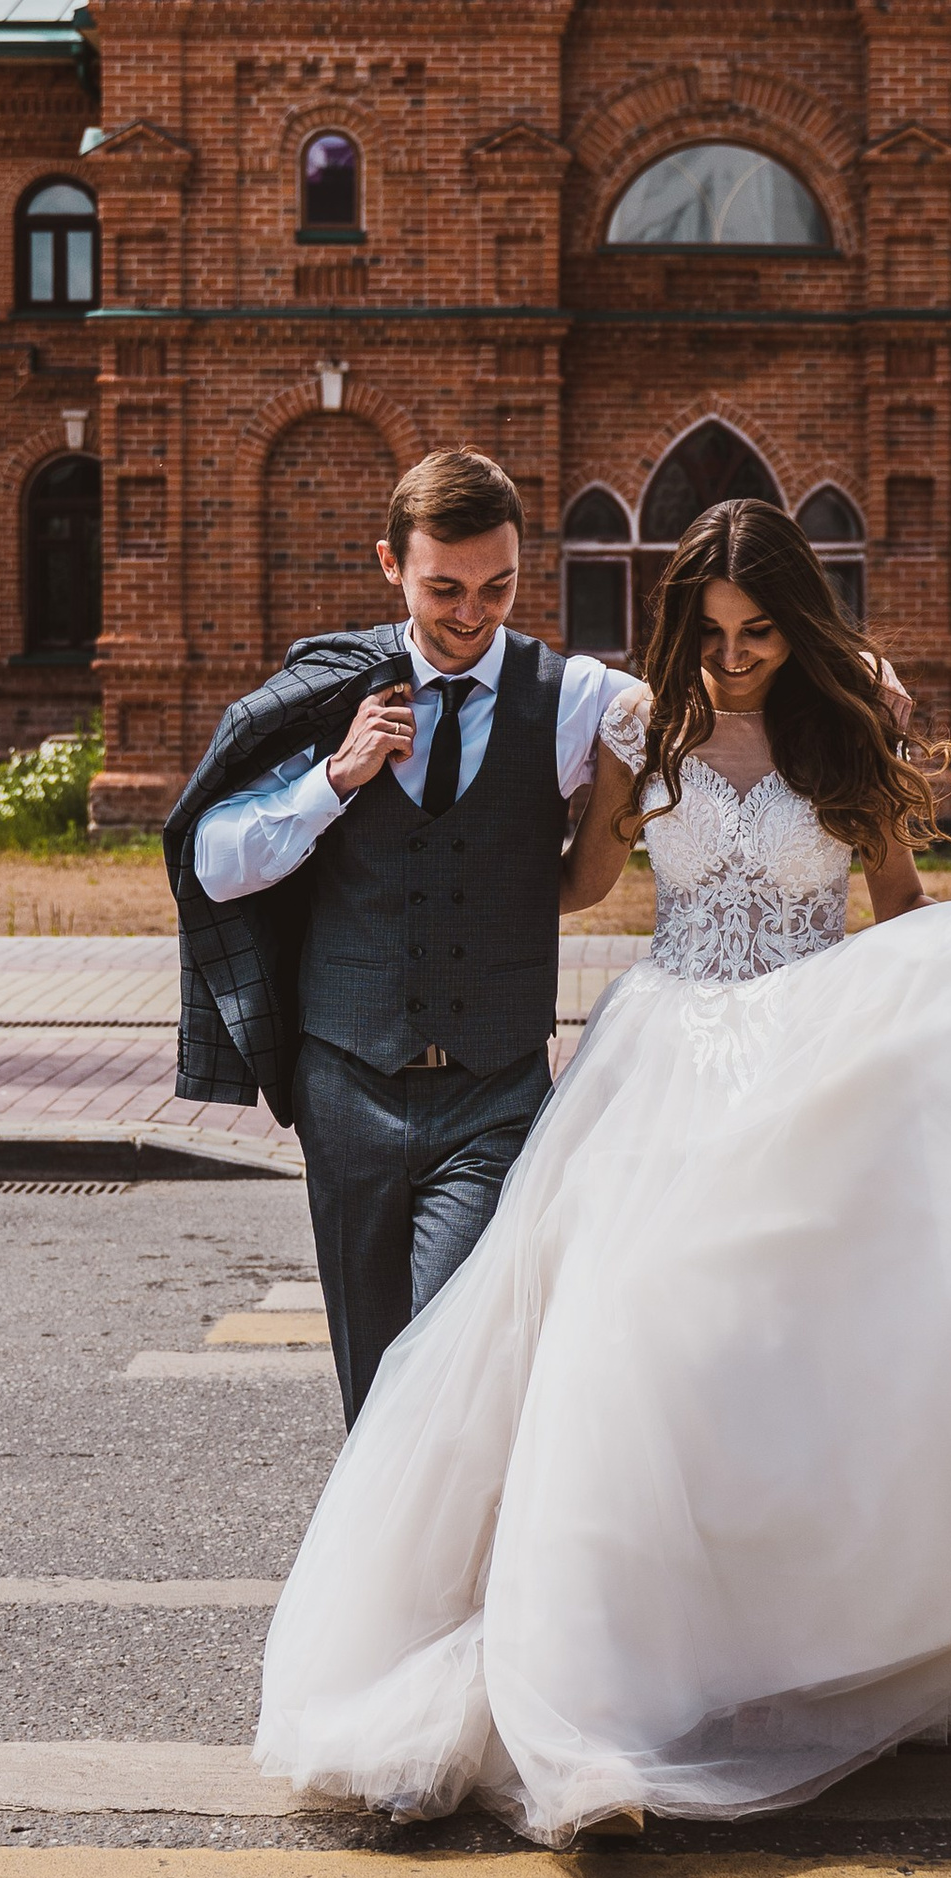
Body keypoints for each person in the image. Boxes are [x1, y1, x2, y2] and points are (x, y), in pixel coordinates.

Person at [253, 495, 951, 1841]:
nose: (734, 658)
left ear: (797, 622)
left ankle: (782, 1652)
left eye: (761, 633)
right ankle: (599, 1711)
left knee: (798, 1372)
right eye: (714, 632)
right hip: (659, 1063)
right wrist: (391, 897)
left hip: (812, 1056)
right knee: (622, 1354)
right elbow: (574, 880)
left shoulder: (851, 719)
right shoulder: (637, 727)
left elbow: (898, 910)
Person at [167, 447, 635, 1420]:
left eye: (497, 587)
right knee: (373, 1396)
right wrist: (330, 783)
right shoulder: (331, 692)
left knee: (452, 1376)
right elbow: (212, 858)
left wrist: (859, 674)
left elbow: (710, 703)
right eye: (444, 588)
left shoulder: (572, 697)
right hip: (347, 1096)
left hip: (494, 1098)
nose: (471, 613)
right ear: (391, 564)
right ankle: (387, 1577)